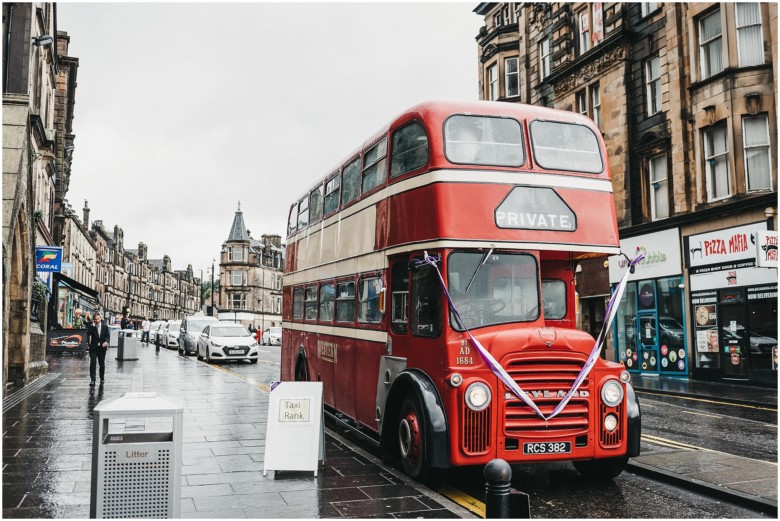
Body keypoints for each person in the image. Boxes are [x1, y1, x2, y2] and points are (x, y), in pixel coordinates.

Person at [87, 312, 110, 386]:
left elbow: (107, 336)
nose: (97, 320)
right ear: (93, 320)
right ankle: (92, 380)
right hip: (93, 348)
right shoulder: (92, 326)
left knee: (101, 363)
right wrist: (93, 326)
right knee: (93, 363)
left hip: (102, 348)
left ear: (100, 318)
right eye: (95, 319)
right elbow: (88, 333)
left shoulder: (105, 326)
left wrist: (106, 342)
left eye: (98, 319)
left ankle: (102, 378)